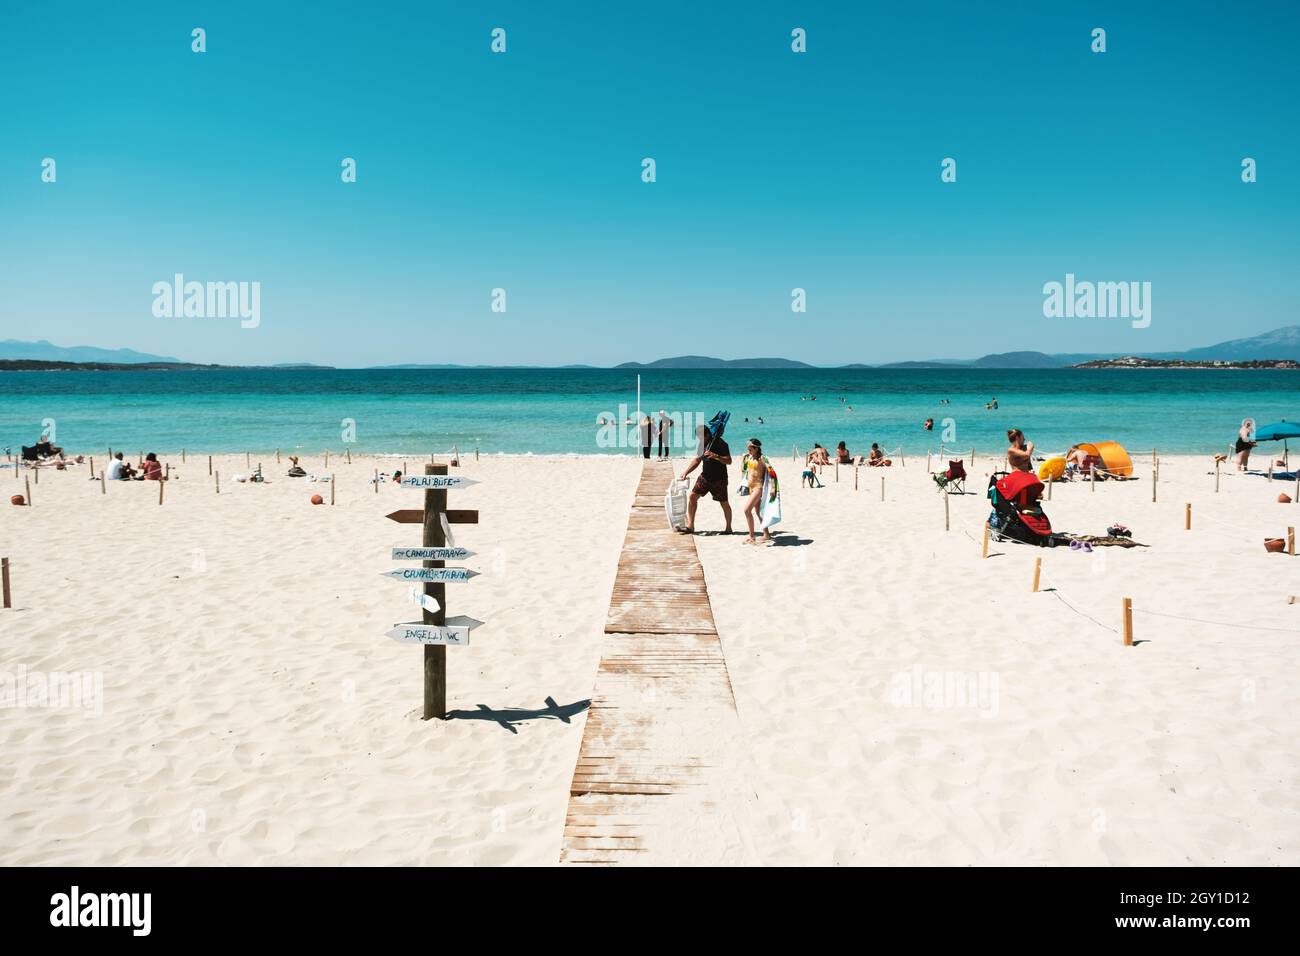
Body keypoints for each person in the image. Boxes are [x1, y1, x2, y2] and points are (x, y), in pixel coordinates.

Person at [679, 423, 732, 534]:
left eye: (701, 436)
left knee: (724, 503)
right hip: (705, 476)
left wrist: (716, 456)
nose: (699, 439)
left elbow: (729, 461)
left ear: (707, 434)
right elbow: (697, 460)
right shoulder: (702, 444)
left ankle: (728, 529)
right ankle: (690, 526)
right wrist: (686, 472)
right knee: (693, 497)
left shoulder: (721, 443)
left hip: (719, 478)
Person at [741, 438, 774, 545]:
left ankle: (751, 536)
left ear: (756, 449)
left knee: (746, 510)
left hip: (758, 487)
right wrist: (743, 460)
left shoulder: (763, 458)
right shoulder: (749, 457)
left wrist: (773, 487)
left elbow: (772, 472)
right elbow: (743, 471)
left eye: (750, 449)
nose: (748, 451)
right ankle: (766, 534)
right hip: (751, 488)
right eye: (748, 449)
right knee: (758, 512)